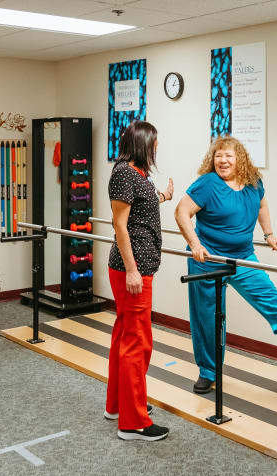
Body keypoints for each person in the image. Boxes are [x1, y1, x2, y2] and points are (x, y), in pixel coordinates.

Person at [174, 136, 277, 394]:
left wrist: (269, 234)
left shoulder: (253, 183)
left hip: (242, 255)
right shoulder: (207, 184)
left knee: (266, 291)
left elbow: (261, 205)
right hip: (209, 258)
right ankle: (208, 372)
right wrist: (194, 244)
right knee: (207, 318)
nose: (222, 161)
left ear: (240, 159)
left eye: (228, 156)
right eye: (218, 156)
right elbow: (182, 212)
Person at [105, 121, 174, 441]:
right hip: (132, 270)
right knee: (138, 343)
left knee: (124, 336)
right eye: (155, 143)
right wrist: (133, 270)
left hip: (136, 268)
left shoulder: (133, 173)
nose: (157, 148)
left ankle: (119, 405)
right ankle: (133, 423)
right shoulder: (123, 173)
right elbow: (121, 225)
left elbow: (138, 208)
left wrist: (163, 196)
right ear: (143, 144)